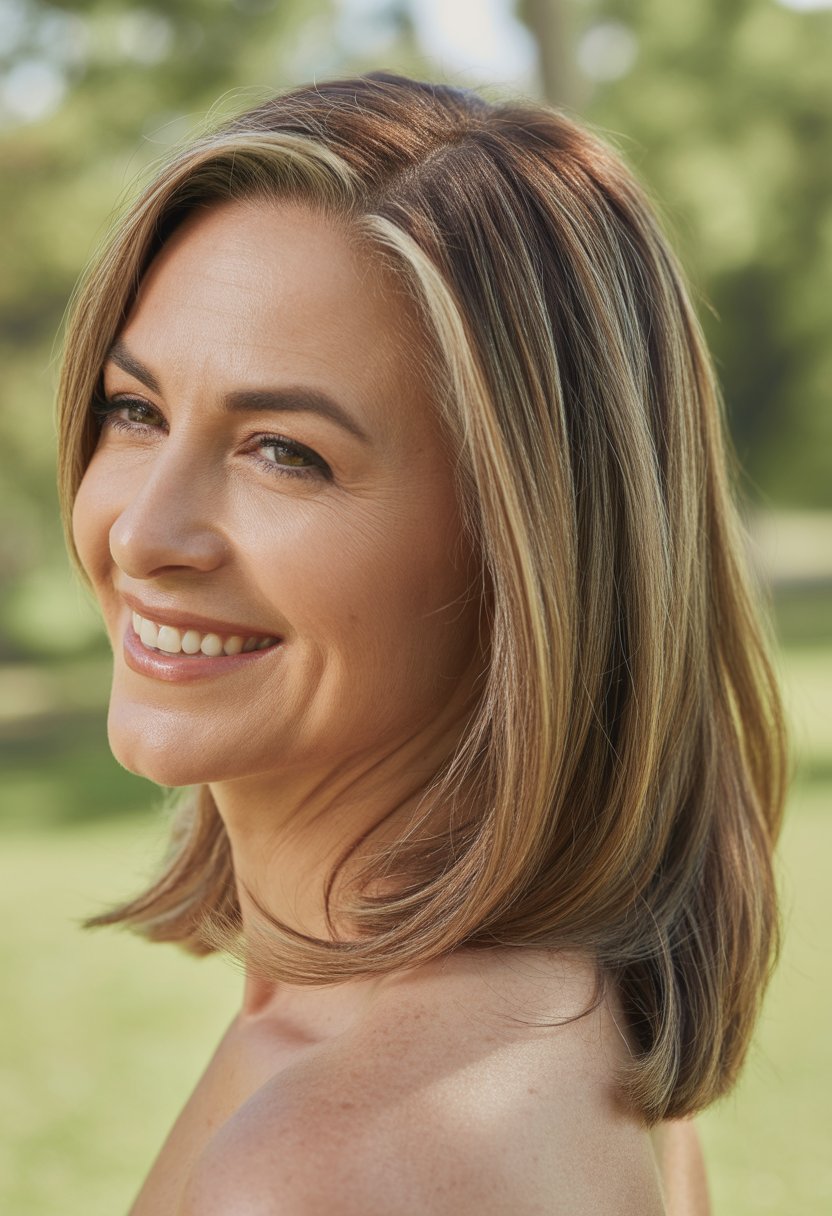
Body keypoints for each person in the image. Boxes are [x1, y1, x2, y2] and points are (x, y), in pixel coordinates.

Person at [57, 72, 786, 1214]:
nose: (145, 533)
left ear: (526, 551)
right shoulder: (571, 1021)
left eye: (284, 451)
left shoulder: (341, 1164)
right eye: (134, 410)